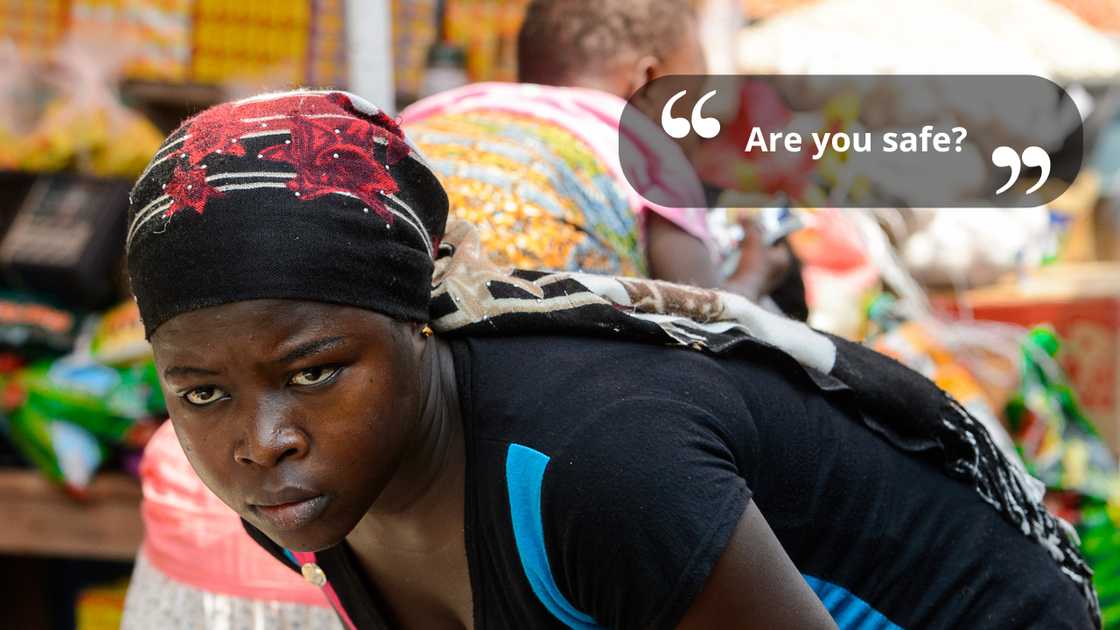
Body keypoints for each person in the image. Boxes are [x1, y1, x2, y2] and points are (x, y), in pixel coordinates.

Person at [126, 90, 1098, 629]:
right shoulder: (298, 487)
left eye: (313, 371)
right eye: (202, 392)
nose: (261, 440)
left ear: (416, 317)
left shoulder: (593, 463)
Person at [399, 0, 794, 304]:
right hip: (547, 357)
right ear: (649, 83)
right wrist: (753, 275)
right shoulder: (641, 145)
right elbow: (701, 315)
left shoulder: (446, 109)